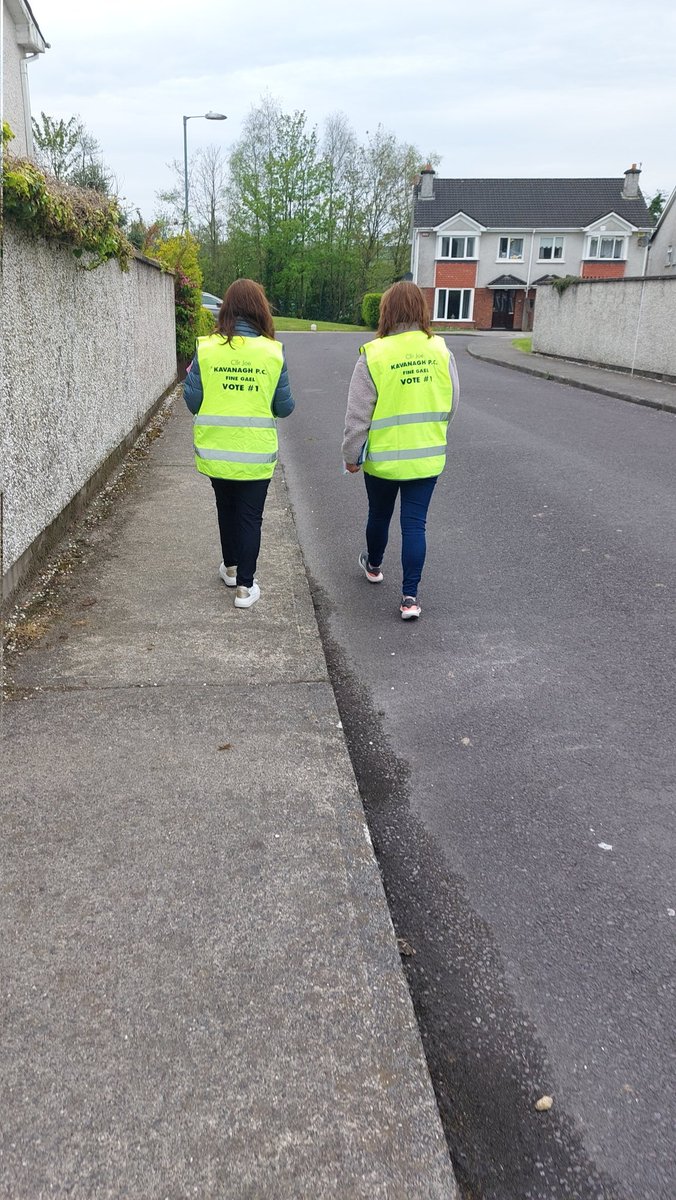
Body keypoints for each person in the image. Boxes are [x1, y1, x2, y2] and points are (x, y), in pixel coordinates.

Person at [341, 281, 459, 620]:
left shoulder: (374, 354)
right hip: (426, 455)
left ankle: (374, 566)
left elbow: (357, 416)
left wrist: (352, 457)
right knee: (414, 524)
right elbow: (452, 403)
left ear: (386, 312)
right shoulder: (440, 350)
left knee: (379, 514)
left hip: (384, 460)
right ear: (421, 310)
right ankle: (410, 597)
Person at [184, 279, 294, 609]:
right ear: (261, 310)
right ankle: (244, 587)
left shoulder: (207, 348)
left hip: (217, 450)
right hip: (256, 454)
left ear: (226, 309)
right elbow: (285, 407)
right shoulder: (273, 352)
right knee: (250, 517)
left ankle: (231, 568)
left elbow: (192, 400)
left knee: (226, 509)